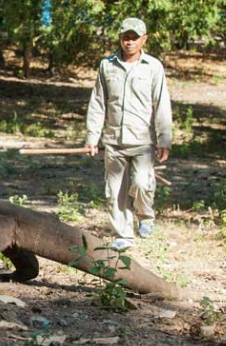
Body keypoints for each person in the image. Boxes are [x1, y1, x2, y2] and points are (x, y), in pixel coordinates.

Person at [84, 17, 172, 249]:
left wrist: (164, 139)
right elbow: (98, 103)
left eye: (134, 37)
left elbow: (161, 104)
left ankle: (145, 216)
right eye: (126, 37)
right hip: (113, 141)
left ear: (144, 39)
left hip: (143, 141)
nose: (129, 41)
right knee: (114, 191)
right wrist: (93, 136)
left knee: (142, 183)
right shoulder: (107, 65)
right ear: (120, 38)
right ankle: (124, 234)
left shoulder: (153, 67)